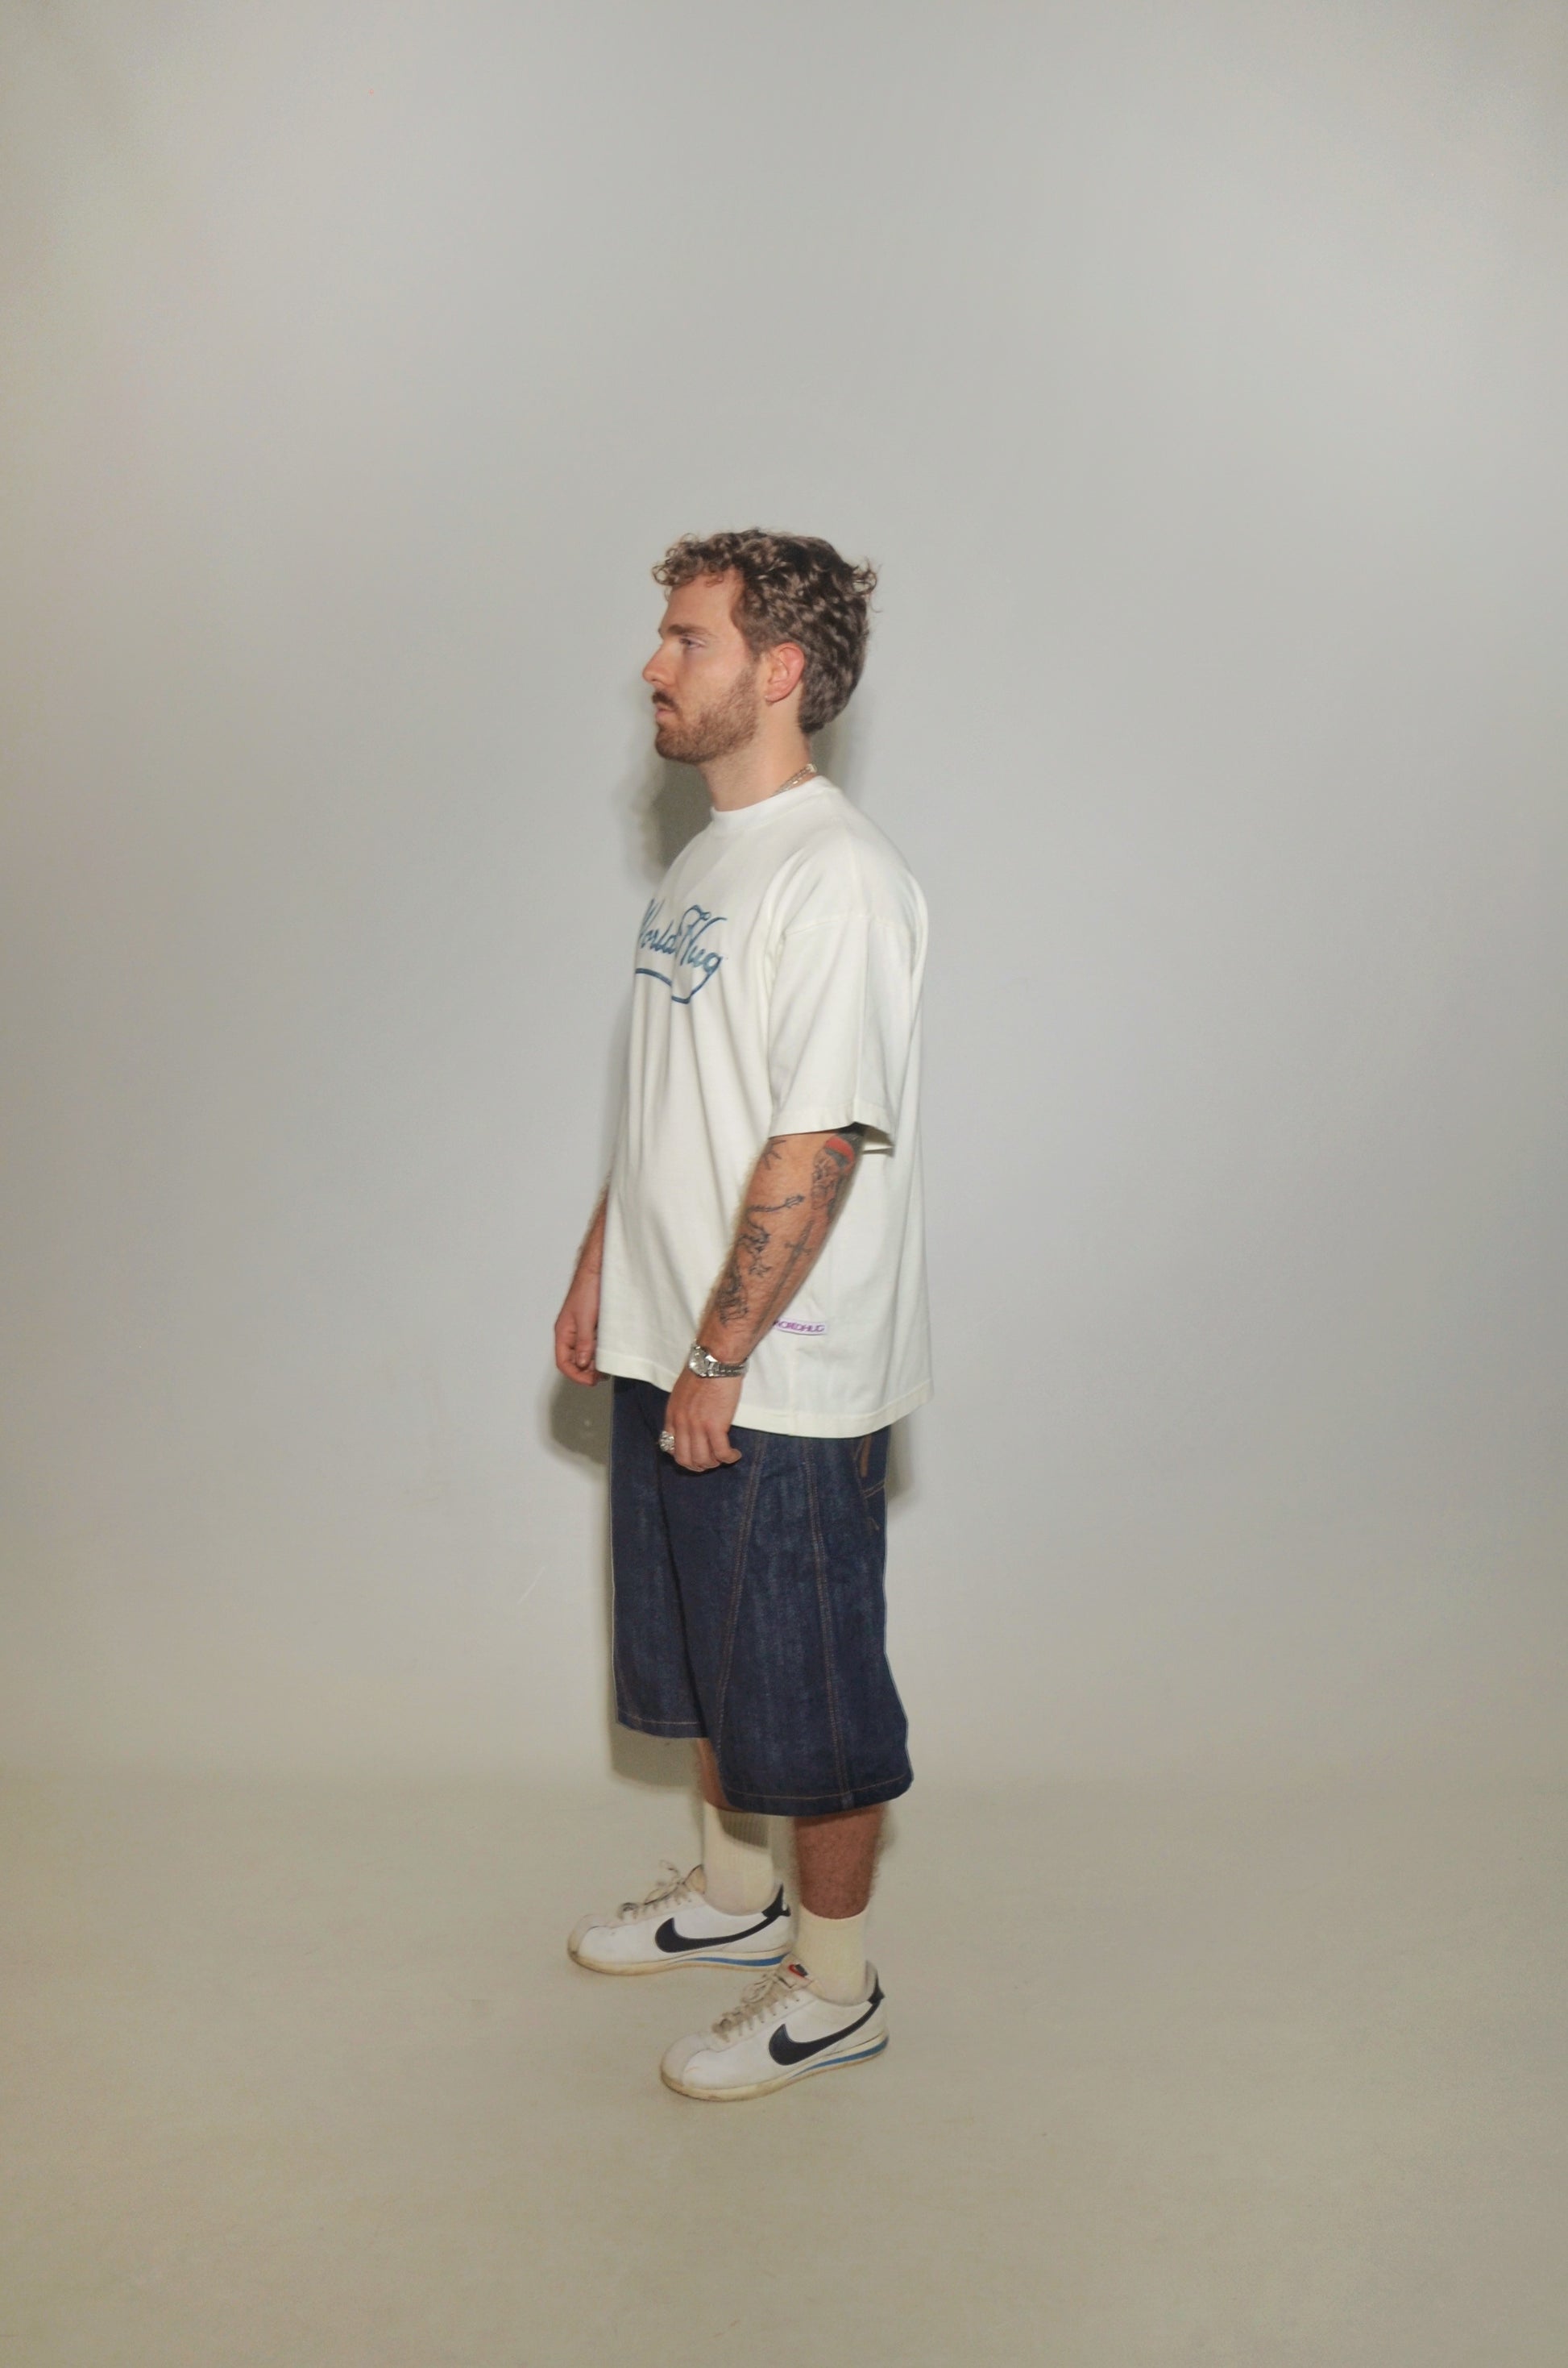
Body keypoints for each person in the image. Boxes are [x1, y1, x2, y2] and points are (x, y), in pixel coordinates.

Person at [553, 530, 930, 2100]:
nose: (654, 664)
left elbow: (815, 1143)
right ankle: (730, 1898)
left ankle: (833, 1987)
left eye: (687, 639)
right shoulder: (713, 856)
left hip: (775, 1371)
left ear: (777, 670)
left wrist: (721, 1352)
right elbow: (678, 1101)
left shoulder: (839, 879)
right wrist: (605, 1264)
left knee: (808, 1691)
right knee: (707, 1658)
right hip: (676, 1338)